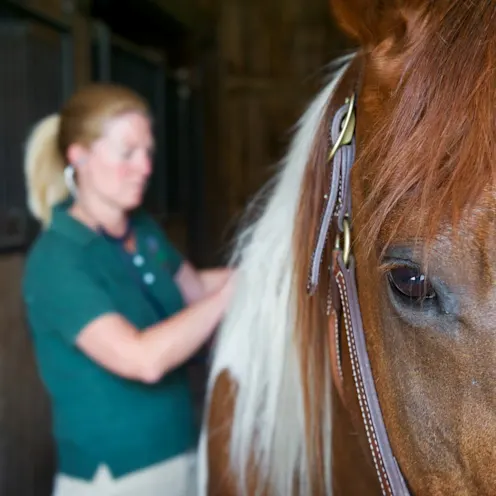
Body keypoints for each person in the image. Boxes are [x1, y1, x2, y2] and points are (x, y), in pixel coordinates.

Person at [21, 82, 235, 496]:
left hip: (181, 453)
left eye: (148, 152)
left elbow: (195, 290)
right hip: (117, 477)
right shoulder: (57, 259)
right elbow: (142, 359)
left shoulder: (144, 233)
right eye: (127, 153)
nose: (145, 167)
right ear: (79, 157)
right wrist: (233, 293)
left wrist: (268, 265)